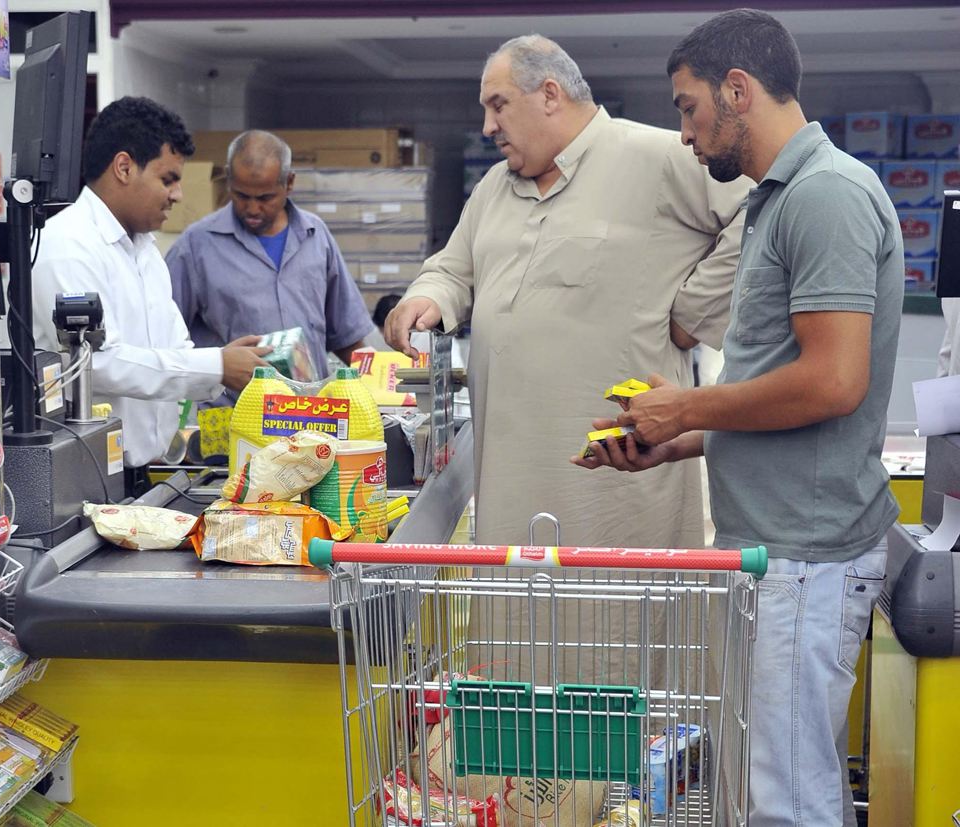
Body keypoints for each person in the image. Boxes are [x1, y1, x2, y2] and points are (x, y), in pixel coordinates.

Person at [573, 10, 904, 827]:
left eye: (687, 108)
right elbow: (776, 386)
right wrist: (677, 438)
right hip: (777, 552)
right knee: (764, 790)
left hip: (807, 556)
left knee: (786, 801)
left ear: (737, 90)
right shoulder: (775, 200)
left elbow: (833, 381)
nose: (683, 133)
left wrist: (687, 401)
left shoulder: (824, 195)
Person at [384, 35, 750, 550]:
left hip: (617, 473)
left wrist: (697, 310)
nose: (488, 126)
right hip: (509, 479)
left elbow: (757, 212)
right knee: (514, 618)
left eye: (498, 105)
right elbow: (452, 267)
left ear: (550, 94)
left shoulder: (657, 156)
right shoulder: (493, 187)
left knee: (622, 619)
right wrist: (429, 297)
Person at [32, 97, 270, 470]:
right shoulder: (65, 248)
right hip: (89, 477)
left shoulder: (145, 251)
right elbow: (95, 363)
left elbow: (175, 347)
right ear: (124, 167)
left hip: (152, 469)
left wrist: (224, 361)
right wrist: (216, 366)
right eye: (168, 180)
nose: (177, 195)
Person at [167, 130, 374, 400]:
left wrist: (377, 389)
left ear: (288, 183)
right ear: (228, 178)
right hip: (234, 419)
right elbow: (164, 345)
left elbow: (347, 335)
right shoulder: (195, 246)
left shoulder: (316, 236)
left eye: (265, 198)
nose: (252, 209)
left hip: (310, 418)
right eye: (241, 196)